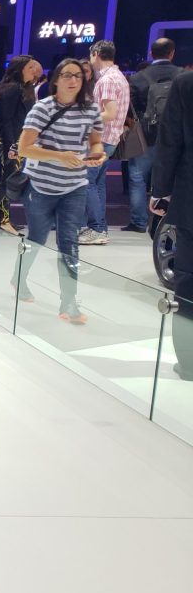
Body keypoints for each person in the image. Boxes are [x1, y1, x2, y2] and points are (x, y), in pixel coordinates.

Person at [14, 58, 105, 324]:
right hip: (41, 185)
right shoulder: (42, 108)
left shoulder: (91, 109)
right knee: (37, 237)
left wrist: (97, 155)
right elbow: (24, 148)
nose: (73, 80)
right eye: (67, 75)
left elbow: (96, 142)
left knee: (69, 242)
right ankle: (19, 277)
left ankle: (69, 302)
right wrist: (59, 156)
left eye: (78, 75)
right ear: (56, 80)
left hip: (75, 185)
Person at [150, 70, 193, 377]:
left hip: (190, 201)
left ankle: (189, 363)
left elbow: (170, 141)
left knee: (189, 281)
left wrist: (160, 190)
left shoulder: (186, 83)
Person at [0, 56, 43, 234]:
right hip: (10, 141)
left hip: (18, 141)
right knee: (7, 180)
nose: (34, 71)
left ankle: (2, 219)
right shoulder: (13, 88)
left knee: (6, 180)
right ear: (20, 69)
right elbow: (6, 119)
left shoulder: (23, 88)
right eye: (30, 67)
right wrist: (11, 145)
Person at [123, 38, 180, 232]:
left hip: (146, 135)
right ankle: (170, 220)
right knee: (174, 178)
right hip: (176, 136)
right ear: (172, 53)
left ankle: (139, 222)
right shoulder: (183, 75)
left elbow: (130, 109)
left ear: (151, 53)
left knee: (137, 177)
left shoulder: (138, 78)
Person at [79, 40, 130, 245]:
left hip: (101, 139)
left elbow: (109, 113)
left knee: (87, 182)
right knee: (97, 183)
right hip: (109, 138)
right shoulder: (118, 77)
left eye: (91, 55)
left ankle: (97, 229)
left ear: (96, 54)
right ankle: (100, 227)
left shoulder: (107, 80)